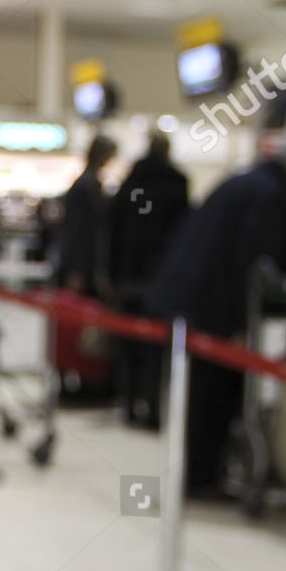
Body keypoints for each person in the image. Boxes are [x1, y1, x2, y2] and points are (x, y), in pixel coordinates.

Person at [147, 138, 286, 494]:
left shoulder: (246, 182)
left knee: (198, 391)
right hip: (210, 306)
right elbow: (252, 265)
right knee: (212, 394)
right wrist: (239, 324)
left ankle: (197, 473)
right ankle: (200, 478)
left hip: (189, 297)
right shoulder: (272, 196)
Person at [109, 132, 190, 428]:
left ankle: (129, 404)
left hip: (130, 275)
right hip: (162, 278)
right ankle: (155, 408)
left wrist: (112, 273)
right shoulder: (177, 184)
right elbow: (183, 235)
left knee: (129, 343)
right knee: (158, 348)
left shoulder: (132, 183)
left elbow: (115, 230)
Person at [56, 135, 117, 296]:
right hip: (82, 267)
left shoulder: (90, 184)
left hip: (86, 266)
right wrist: (76, 270)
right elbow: (76, 230)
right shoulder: (85, 187)